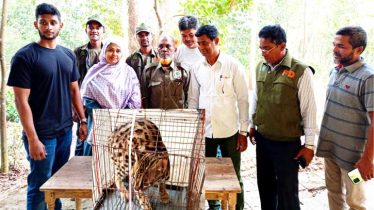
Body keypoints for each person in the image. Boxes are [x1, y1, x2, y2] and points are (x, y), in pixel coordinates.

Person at [6, 3, 88, 210]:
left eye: (53, 22)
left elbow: (74, 91)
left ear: (61, 25)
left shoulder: (68, 55)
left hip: (64, 131)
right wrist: (33, 139)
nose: (49, 27)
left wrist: (83, 120)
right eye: (44, 22)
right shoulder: (25, 56)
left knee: (56, 183)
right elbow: (20, 101)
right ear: (36, 24)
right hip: (42, 134)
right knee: (40, 185)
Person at [248, 24, 317, 210]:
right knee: (265, 186)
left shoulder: (301, 71)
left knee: (287, 192)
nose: (263, 53)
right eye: (260, 48)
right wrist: (252, 125)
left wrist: (309, 145)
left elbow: (309, 110)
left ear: (282, 46)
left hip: (287, 143)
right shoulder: (261, 67)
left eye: (267, 48)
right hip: (263, 139)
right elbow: (256, 97)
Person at [188, 24, 249, 210]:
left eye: (205, 43)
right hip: (205, 131)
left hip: (230, 131)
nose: (201, 47)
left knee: (234, 175)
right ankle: (213, 207)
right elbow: (193, 99)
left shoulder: (233, 65)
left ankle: (237, 208)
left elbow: (243, 99)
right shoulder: (197, 67)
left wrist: (244, 132)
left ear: (216, 40)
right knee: (207, 173)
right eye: (199, 44)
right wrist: (194, 131)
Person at [316, 26, 374, 210]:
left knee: (355, 201)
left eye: (341, 46)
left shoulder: (368, 78)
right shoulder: (335, 71)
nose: (334, 49)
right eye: (334, 45)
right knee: (333, 192)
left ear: (358, 50)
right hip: (331, 152)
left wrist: (367, 159)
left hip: (353, 160)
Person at [80, 37, 141, 151]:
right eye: (110, 50)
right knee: (96, 157)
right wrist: (104, 115)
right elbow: (86, 97)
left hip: (123, 122)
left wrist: (121, 115)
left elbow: (135, 97)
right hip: (99, 122)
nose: (114, 54)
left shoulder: (128, 72)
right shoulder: (95, 71)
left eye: (118, 51)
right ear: (104, 51)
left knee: (120, 156)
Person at [73, 14, 105, 156]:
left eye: (98, 28)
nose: (94, 31)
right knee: (82, 139)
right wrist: (73, 107)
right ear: (86, 30)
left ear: (103, 31)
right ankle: (79, 175)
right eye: (90, 28)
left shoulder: (110, 50)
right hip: (83, 105)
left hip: (103, 105)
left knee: (102, 142)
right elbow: (72, 82)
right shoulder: (78, 52)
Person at [141, 35, 189, 109]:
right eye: (161, 46)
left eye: (168, 46)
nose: (164, 49)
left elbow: (188, 97)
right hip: (155, 119)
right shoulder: (148, 71)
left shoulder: (183, 71)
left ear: (175, 50)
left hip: (177, 118)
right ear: (157, 50)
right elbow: (145, 98)